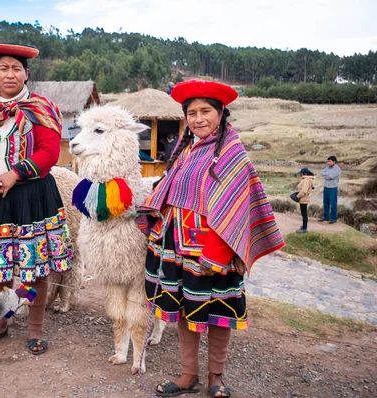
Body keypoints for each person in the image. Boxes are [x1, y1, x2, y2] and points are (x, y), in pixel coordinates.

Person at [136, 80, 284, 397]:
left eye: (206, 111)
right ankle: (188, 375)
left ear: (221, 113)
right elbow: (171, 191)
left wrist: (215, 253)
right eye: (192, 113)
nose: (198, 118)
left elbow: (237, 207)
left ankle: (216, 377)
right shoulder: (184, 150)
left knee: (216, 314)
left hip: (212, 250)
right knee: (185, 310)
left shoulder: (232, 154)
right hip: (177, 245)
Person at [0, 42, 72, 355]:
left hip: (32, 197)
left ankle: (35, 328)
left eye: (16, 68)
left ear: (27, 73)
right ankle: (1, 321)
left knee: (35, 269)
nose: (10, 74)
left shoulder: (41, 109)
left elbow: (49, 152)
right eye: (4, 68)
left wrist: (15, 173)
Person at [319, 155, 341, 224]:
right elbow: (321, 172)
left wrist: (326, 175)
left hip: (332, 188)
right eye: (328, 161)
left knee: (333, 204)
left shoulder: (337, 169)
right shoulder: (327, 167)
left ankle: (333, 218)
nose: (328, 163)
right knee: (325, 203)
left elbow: (331, 176)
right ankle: (326, 217)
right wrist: (327, 175)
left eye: (330, 161)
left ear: (334, 162)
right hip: (326, 188)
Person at [295, 168, 315, 233]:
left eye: (302, 174)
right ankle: (304, 226)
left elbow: (304, 191)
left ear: (305, 174)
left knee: (304, 214)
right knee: (304, 213)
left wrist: (297, 196)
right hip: (305, 198)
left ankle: (304, 228)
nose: (301, 175)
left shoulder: (306, 180)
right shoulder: (309, 179)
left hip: (303, 198)